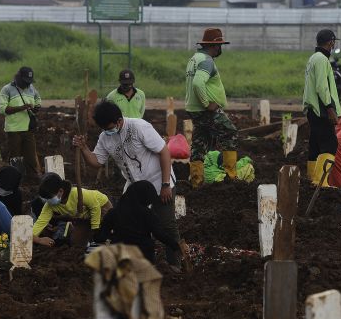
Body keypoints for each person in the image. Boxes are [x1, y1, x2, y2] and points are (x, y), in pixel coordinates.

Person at [72, 102, 182, 270]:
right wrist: (84, 148)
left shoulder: (140, 127)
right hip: (134, 188)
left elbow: (164, 152)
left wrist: (166, 184)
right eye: (103, 129)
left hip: (158, 181)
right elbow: (97, 161)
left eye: (108, 127)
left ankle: (175, 264)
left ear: (118, 121)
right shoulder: (105, 137)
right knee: (127, 222)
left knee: (166, 225)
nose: (107, 131)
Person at [184, 28, 238, 187]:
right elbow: (198, 83)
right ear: (214, 46)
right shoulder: (206, 61)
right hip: (204, 110)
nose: (220, 48)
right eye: (220, 45)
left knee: (200, 143)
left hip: (194, 109)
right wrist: (207, 103)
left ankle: (196, 181)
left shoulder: (194, 58)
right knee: (230, 131)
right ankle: (231, 176)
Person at [97, 180, 181, 264]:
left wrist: (114, 238)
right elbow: (159, 234)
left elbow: (101, 236)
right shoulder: (148, 214)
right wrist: (176, 246)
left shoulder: (114, 213)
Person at [303, 29, 341, 181]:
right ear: (331, 42)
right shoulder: (321, 59)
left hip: (314, 110)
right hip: (321, 110)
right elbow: (321, 87)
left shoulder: (313, 58)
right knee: (330, 145)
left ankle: (311, 179)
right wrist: (330, 108)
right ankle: (321, 183)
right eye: (333, 42)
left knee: (315, 145)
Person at [33, 173, 112, 247]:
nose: (47, 201)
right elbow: (40, 223)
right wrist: (38, 239)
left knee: (103, 236)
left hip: (101, 208)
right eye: (45, 199)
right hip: (83, 218)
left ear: (61, 191)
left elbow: (95, 206)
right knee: (76, 244)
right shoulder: (49, 205)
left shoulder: (76, 193)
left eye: (49, 198)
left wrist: (95, 229)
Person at [0, 66, 41, 177]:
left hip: (28, 129)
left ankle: (31, 180)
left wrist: (37, 107)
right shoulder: (7, 89)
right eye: (25, 81)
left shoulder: (31, 88)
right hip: (13, 130)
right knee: (15, 158)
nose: (27, 84)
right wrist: (22, 108)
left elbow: (38, 99)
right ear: (18, 78)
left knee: (31, 158)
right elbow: (2, 109)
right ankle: (15, 179)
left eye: (29, 82)